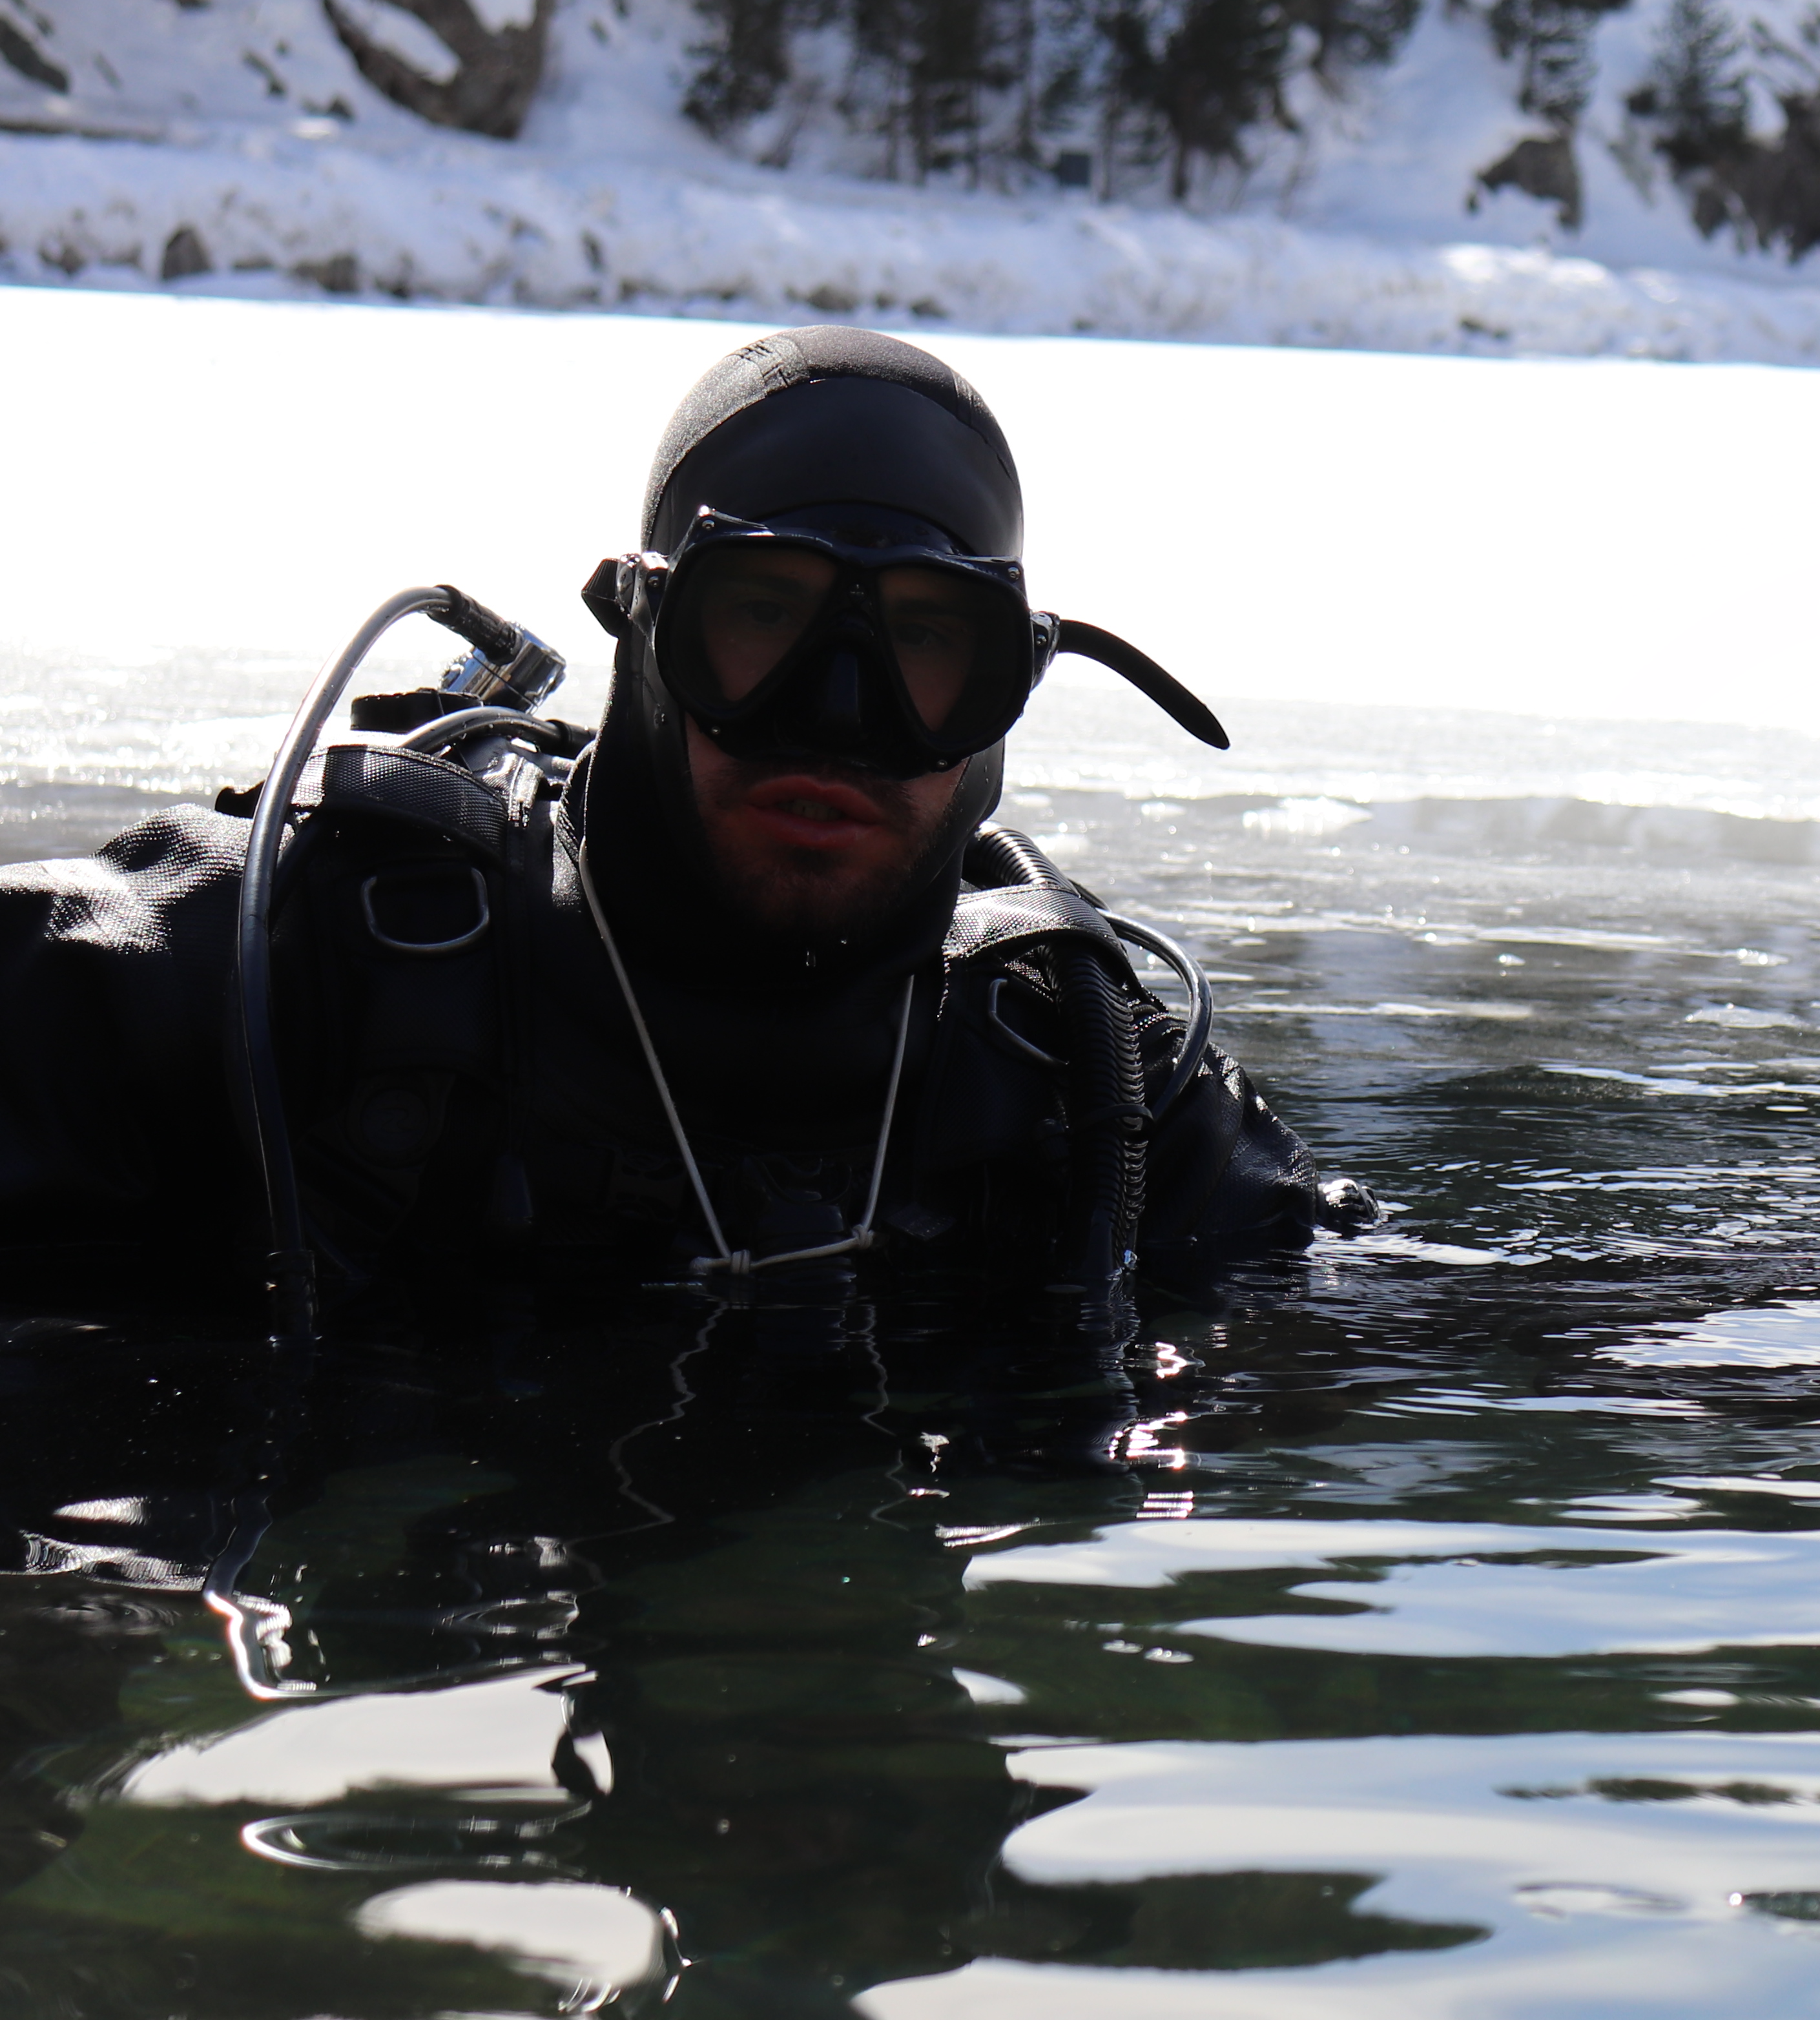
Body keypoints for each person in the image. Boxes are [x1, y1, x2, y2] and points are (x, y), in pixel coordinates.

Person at [0, 326, 1356, 1317]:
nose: (836, 716)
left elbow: (1421, 1335)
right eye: (761, 614)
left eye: (930, 645)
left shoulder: (1085, 1084)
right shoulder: (291, 967)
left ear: (1007, 694)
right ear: (646, 631)